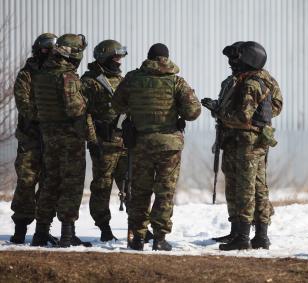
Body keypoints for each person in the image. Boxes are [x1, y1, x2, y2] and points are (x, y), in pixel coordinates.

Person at [112, 43, 201, 251]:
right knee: (165, 192)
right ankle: (160, 238)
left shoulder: (133, 79)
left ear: (149, 57)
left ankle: (137, 237)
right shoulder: (177, 82)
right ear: (167, 59)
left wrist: (134, 108)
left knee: (140, 191)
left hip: (140, 144)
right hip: (169, 146)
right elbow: (193, 112)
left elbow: (116, 104)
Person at [202, 41, 282, 250]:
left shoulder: (253, 83)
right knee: (246, 186)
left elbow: (243, 116)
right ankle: (245, 232)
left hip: (247, 142)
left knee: (247, 188)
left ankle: (245, 235)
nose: (231, 64)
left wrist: (218, 111)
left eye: (235, 59)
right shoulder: (242, 80)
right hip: (238, 140)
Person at [31, 34, 91, 247]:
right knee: (71, 184)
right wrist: (86, 105)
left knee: (49, 182)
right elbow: (75, 109)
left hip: (48, 135)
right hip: (69, 137)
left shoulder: (40, 74)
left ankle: (40, 232)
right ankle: (67, 233)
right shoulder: (67, 76)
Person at [81, 39, 132, 242]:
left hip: (125, 142)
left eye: (121, 57)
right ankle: (104, 227)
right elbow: (84, 114)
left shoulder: (122, 80)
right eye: (116, 57)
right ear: (105, 58)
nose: (119, 62)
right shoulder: (89, 81)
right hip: (104, 143)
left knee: (131, 186)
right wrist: (93, 141)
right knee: (102, 187)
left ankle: (138, 226)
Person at [10, 33, 58, 244]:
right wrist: (45, 116)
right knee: (26, 182)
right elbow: (23, 103)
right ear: (38, 49)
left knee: (49, 184)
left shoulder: (56, 74)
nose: (49, 54)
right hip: (30, 138)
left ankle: (43, 228)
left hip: (51, 138)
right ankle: (20, 228)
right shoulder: (26, 74)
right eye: (46, 49)